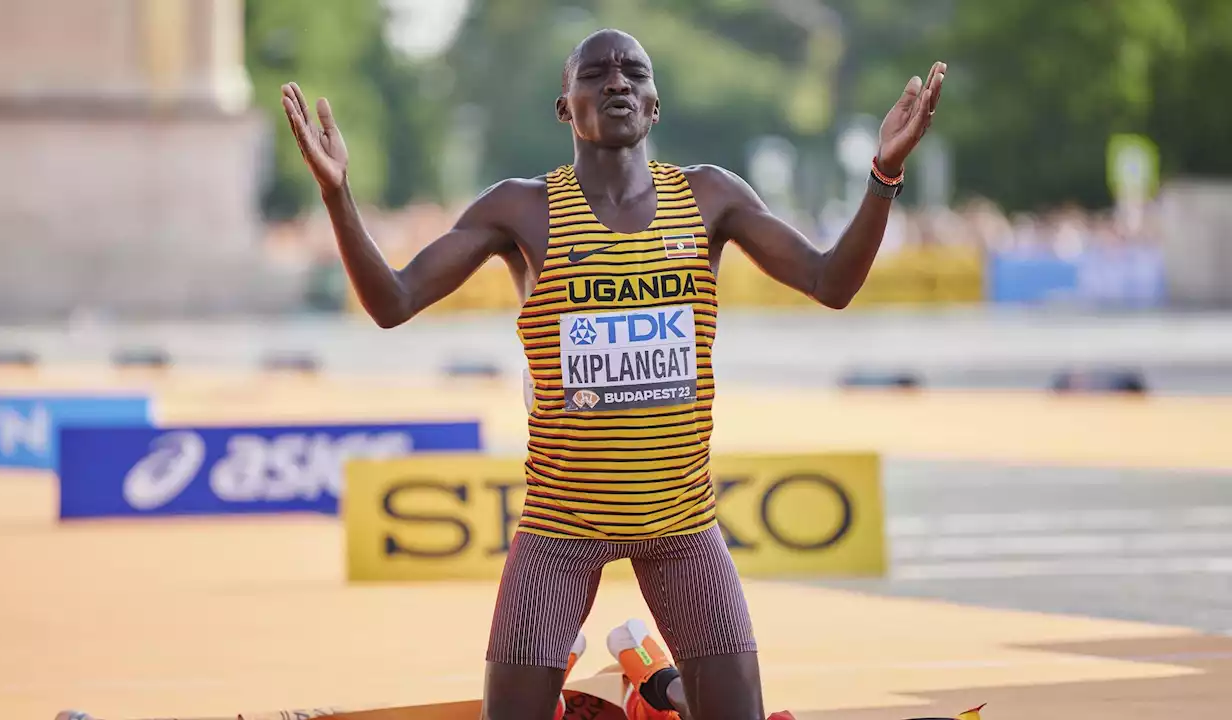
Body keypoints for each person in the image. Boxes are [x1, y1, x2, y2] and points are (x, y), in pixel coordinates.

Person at [281, 28, 946, 720]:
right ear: (566, 107)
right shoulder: (523, 209)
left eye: (634, 72)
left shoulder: (710, 197)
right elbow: (393, 301)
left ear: (655, 104)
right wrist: (337, 195)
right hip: (560, 529)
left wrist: (883, 175)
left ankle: (657, 690)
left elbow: (829, 281)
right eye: (595, 74)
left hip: (681, 523)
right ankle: (643, 687)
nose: (617, 82)